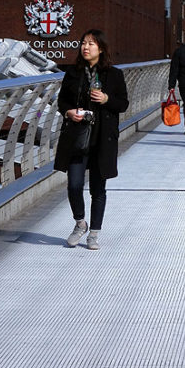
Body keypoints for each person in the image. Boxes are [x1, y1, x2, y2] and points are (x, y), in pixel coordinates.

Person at [55, 29, 129, 250]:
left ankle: (94, 233)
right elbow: (62, 102)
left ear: (101, 49)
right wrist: (69, 112)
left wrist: (106, 98)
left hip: (102, 139)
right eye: (83, 43)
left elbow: (123, 104)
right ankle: (80, 223)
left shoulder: (114, 75)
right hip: (78, 137)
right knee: (74, 185)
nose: (85, 48)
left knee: (98, 189)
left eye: (91, 44)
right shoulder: (73, 73)